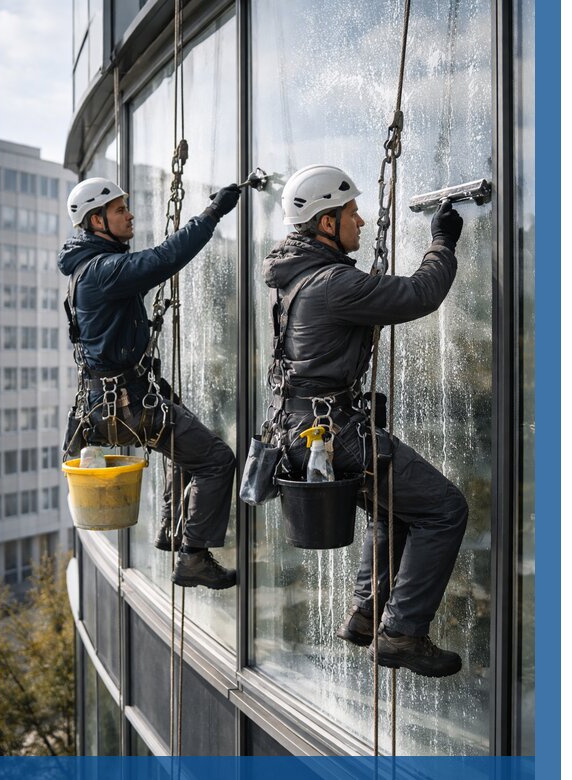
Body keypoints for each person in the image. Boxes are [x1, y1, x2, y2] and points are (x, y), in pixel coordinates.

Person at [264, 164, 469, 677]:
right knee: (445, 510)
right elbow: (419, 294)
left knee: (392, 509)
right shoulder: (333, 283)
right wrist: (442, 242)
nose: (361, 221)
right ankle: (401, 634)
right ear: (326, 223)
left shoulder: (297, 278)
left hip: (305, 430)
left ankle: (366, 612)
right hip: (333, 433)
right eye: (352, 213)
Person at [59, 177, 241, 589]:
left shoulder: (92, 269)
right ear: (96, 220)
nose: (130, 215)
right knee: (217, 460)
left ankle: (175, 529)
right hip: (128, 403)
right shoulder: (103, 271)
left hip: (117, 399)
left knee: (189, 443)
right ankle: (193, 556)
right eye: (120, 210)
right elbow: (163, 259)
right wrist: (212, 214)